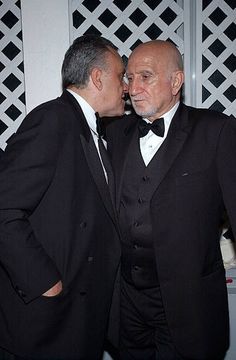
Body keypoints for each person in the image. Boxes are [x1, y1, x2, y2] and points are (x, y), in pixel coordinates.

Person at [106, 40, 236, 360]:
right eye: (129, 77)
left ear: (176, 81)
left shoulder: (217, 131)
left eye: (145, 77)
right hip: (126, 303)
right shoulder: (114, 133)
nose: (133, 88)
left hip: (187, 304)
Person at [0, 34, 127, 360]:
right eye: (120, 75)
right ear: (97, 78)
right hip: (49, 322)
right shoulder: (53, 119)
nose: (125, 86)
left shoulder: (94, 130)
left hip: (82, 316)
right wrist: (45, 282)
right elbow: (4, 207)